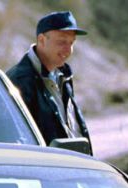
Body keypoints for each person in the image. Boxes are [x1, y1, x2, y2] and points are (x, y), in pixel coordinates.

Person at [7, 11, 92, 153]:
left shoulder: (62, 76)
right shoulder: (19, 80)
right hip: (45, 170)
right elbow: (16, 140)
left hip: (69, 167)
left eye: (71, 43)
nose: (68, 49)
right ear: (41, 40)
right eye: (62, 42)